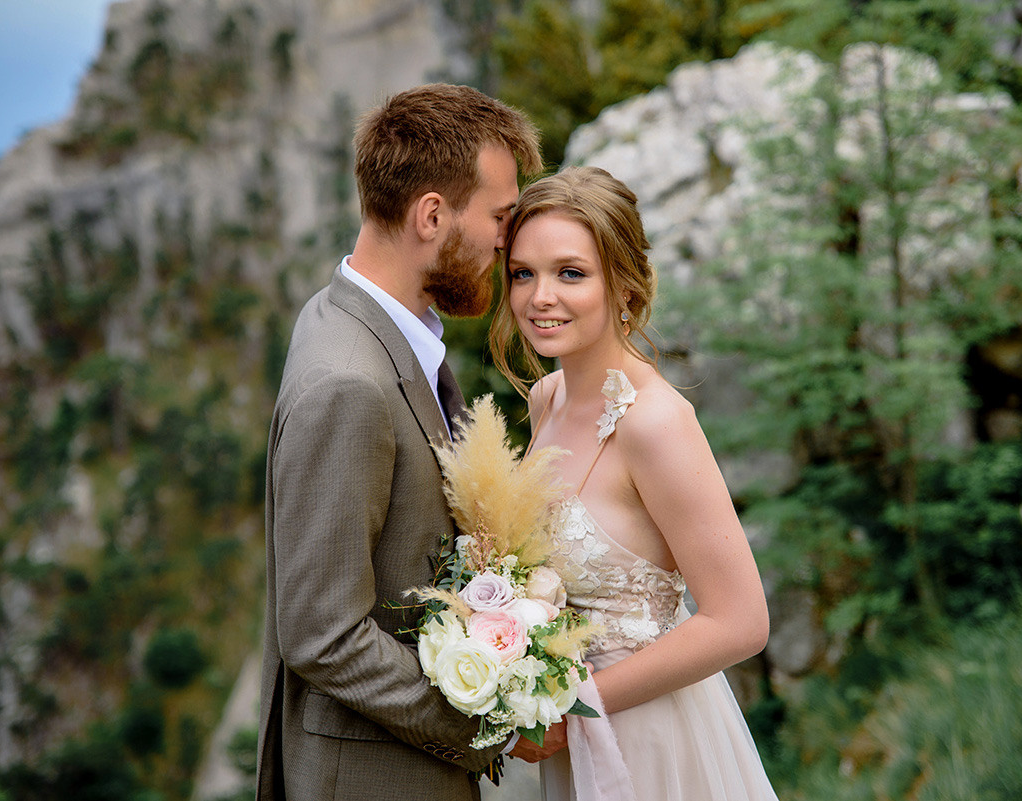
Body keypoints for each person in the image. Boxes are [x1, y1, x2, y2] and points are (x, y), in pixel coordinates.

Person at [256, 83, 551, 800]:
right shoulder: (348, 384)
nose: (509, 242)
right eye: (501, 216)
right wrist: (487, 719)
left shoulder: (348, 312)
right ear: (430, 215)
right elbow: (321, 634)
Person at [489, 166, 779, 800]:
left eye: (571, 273)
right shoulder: (546, 399)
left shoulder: (656, 423)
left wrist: (574, 707)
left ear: (623, 285)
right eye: (522, 273)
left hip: (649, 741)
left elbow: (740, 622)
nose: (540, 296)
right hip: (565, 745)